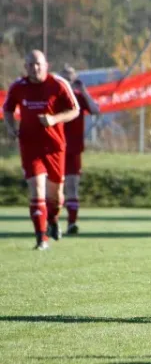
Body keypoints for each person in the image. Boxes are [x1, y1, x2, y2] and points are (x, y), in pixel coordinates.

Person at [3, 50, 80, 250]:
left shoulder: (58, 84)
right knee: (36, 189)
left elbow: (75, 110)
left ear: (47, 64)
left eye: (37, 64)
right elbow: (7, 108)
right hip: (29, 145)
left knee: (55, 196)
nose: (34, 68)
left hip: (55, 146)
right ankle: (41, 238)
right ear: (25, 67)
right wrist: (10, 127)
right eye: (29, 65)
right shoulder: (18, 87)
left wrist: (54, 119)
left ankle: (53, 220)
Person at [59, 65, 100, 235]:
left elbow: (96, 110)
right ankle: (51, 222)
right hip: (55, 148)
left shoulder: (79, 97)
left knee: (72, 186)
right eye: (65, 77)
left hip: (74, 149)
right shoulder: (55, 96)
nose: (69, 80)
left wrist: (84, 90)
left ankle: (71, 223)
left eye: (71, 77)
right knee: (53, 188)